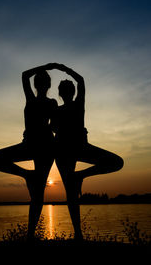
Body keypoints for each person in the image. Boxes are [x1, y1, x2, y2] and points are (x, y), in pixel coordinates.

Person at [0, 63, 58, 240]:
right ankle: (27, 175)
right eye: (40, 81)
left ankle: (30, 236)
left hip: (45, 146)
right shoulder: (32, 99)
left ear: (45, 85)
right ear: (43, 85)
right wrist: (48, 66)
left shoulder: (47, 102)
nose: (41, 84)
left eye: (42, 81)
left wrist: (48, 66)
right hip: (31, 144)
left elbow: (56, 126)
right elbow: (25, 76)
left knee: (38, 195)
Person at [51, 63, 124, 240]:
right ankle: (78, 234)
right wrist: (64, 69)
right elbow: (81, 80)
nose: (68, 92)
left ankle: (79, 177)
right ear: (69, 93)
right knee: (114, 163)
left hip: (69, 149)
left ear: (61, 94)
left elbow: (52, 128)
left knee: (71, 192)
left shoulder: (72, 106)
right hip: (68, 149)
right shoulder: (76, 105)